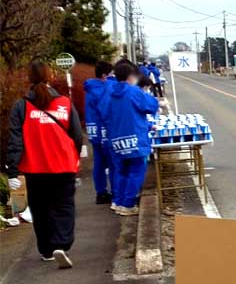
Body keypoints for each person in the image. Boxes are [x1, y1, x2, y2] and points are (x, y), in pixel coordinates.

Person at [5, 60, 85, 267]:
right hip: (63, 166)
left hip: (35, 169)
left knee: (40, 210)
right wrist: (74, 157)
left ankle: (47, 250)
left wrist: (13, 171)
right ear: (50, 77)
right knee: (64, 206)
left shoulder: (21, 106)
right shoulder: (65, 103)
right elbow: (76, 135)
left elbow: (15, 140)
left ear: (29, 78)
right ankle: (62, 244)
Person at [103, 60, 159, 216]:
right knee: (136, 171)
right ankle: (128, 204)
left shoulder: (111, 93)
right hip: (135, 139)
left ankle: (118, 202)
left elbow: (107, 115)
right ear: (130, 77)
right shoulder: (133, 92)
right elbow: (151, 105)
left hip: (117, 140)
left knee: (121, 171)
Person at [84, 61, 114, 203]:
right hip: (104, 131)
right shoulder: (103, 89)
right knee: (113, 163)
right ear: (104, 75)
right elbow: (106, 110)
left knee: (99, 164)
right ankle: (116, 192)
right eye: (110, 74)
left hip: (93, 131)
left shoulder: (90, 88)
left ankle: (100, 193)